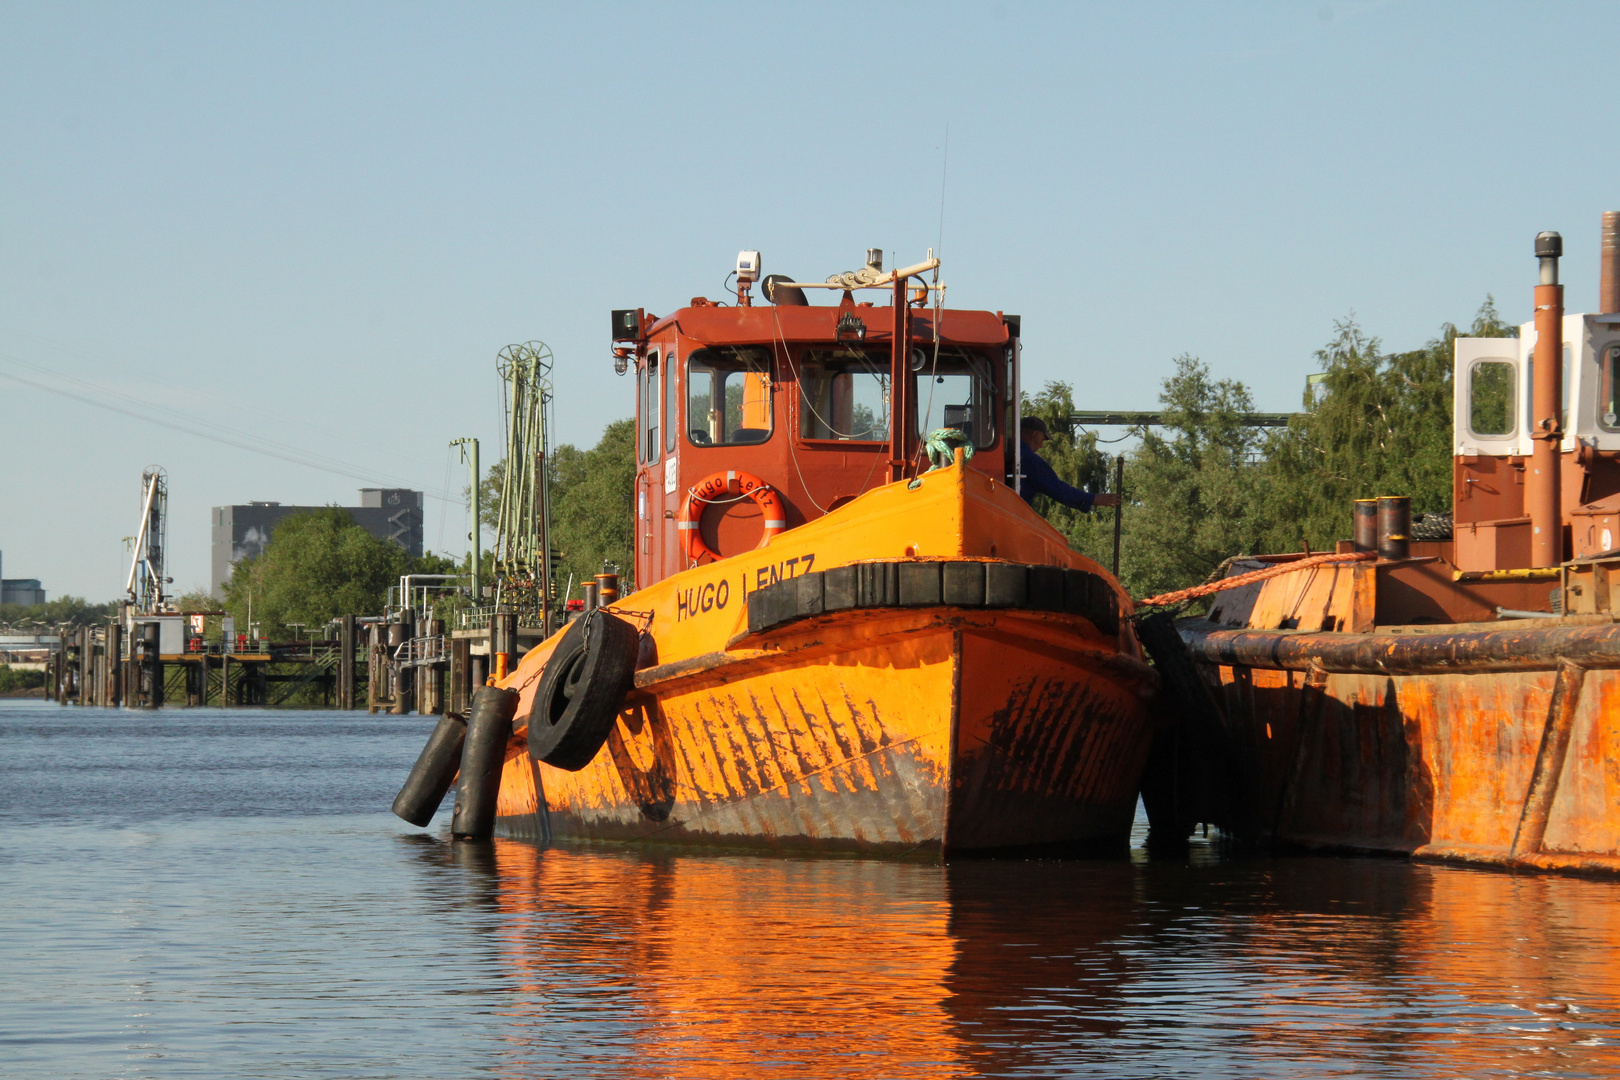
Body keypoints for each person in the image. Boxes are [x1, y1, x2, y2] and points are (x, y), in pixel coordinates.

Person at [1017, 416, 1119, 512]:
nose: (1041, 445)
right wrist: (1093, 498)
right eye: (1042, 440)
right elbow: (1058, 489)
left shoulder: (1010, 452)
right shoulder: (1030, 460)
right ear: (1034, 435)